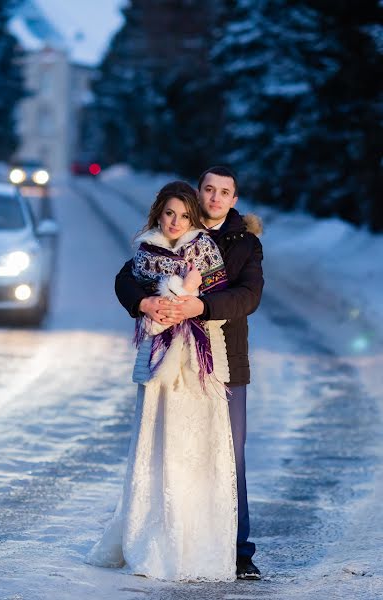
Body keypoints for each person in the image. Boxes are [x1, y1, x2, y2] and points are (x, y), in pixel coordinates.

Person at [114, 166, 264, 580]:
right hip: (171, 363)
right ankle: (171, 537)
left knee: (228, 456)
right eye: (209, 190)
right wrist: (142, 304)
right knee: (173, 451)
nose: (215, 198)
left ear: (234, 199)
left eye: (225, 192)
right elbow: (126, 278)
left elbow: (248, 296)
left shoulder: (243, 243)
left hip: (223, 362)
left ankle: (237, 551)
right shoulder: (174, 231)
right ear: (198, 194)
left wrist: (201, 307)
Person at [86, 181, 238, 581]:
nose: (175, 222)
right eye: (169, 213)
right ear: (158, 213)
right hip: (156, 358)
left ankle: (199, 541)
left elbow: (219, 300)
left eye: (184, 216)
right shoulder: (145, 253)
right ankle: (153, 534)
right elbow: (131, 289)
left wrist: (190, 301)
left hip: (198, 360)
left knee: (196, 444)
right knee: (159, 440)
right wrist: (154, 305)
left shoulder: (205, 249)